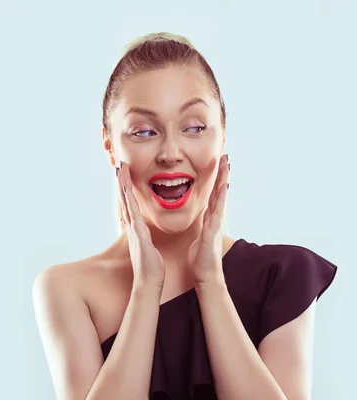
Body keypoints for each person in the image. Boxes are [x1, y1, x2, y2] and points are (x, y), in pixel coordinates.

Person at [32, 32, 337, 400]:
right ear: (110, 146)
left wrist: (210, 282)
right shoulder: (67, 290)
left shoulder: (282, 275)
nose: (171, 153)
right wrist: (146, 288)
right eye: (144, 131)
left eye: (194, 127)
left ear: (222, 135)